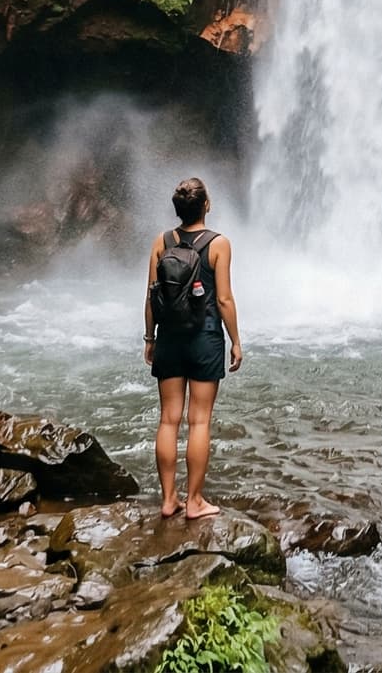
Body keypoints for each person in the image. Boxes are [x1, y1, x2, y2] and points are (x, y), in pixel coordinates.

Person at [144, 176, 242, 519]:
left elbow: (151, 297)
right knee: (199, 421)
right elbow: (225, 299)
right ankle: (195, 501)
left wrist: (150, 338)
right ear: (207, 206)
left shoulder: (162, 241)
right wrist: (235, 341)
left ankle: (169, 499)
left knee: (168, 420)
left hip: (170, 337)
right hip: (204, 338)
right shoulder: (218, 244)